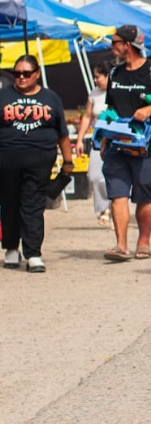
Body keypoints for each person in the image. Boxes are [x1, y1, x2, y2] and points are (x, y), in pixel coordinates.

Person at [102, 25, 151, 262]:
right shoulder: (114, 74)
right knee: (117, 194)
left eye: (115, 41)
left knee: (145, 195)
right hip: (118, 144)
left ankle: (144, 241)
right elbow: (111, 108)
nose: (111, 45)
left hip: (149, 146)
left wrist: (150, 109)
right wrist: (105, 134)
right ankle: (120, 245)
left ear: (127, 45)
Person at [0, 56, 74, 273]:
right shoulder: (3, 96)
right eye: (16, 73)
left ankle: (33, 253)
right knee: (10, 204)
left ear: (37, 74)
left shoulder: (50, 97)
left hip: (40, 161)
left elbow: (62, 133)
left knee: (32, 206)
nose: (21, 77)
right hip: (6, 160)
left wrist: (68, 161)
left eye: (26, 73)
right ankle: (11, 248)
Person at [75, 63, 112, 226]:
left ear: (108, 76)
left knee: (112, 177)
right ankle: (104, 206)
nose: (95, 80)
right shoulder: (94, 94)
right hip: (98, 140)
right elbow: (87, 116)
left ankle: (111, 208)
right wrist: (80, 139)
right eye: (94, 77)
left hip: (116, 140)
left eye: (98, 76)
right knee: (95, 176)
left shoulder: (117, 92)